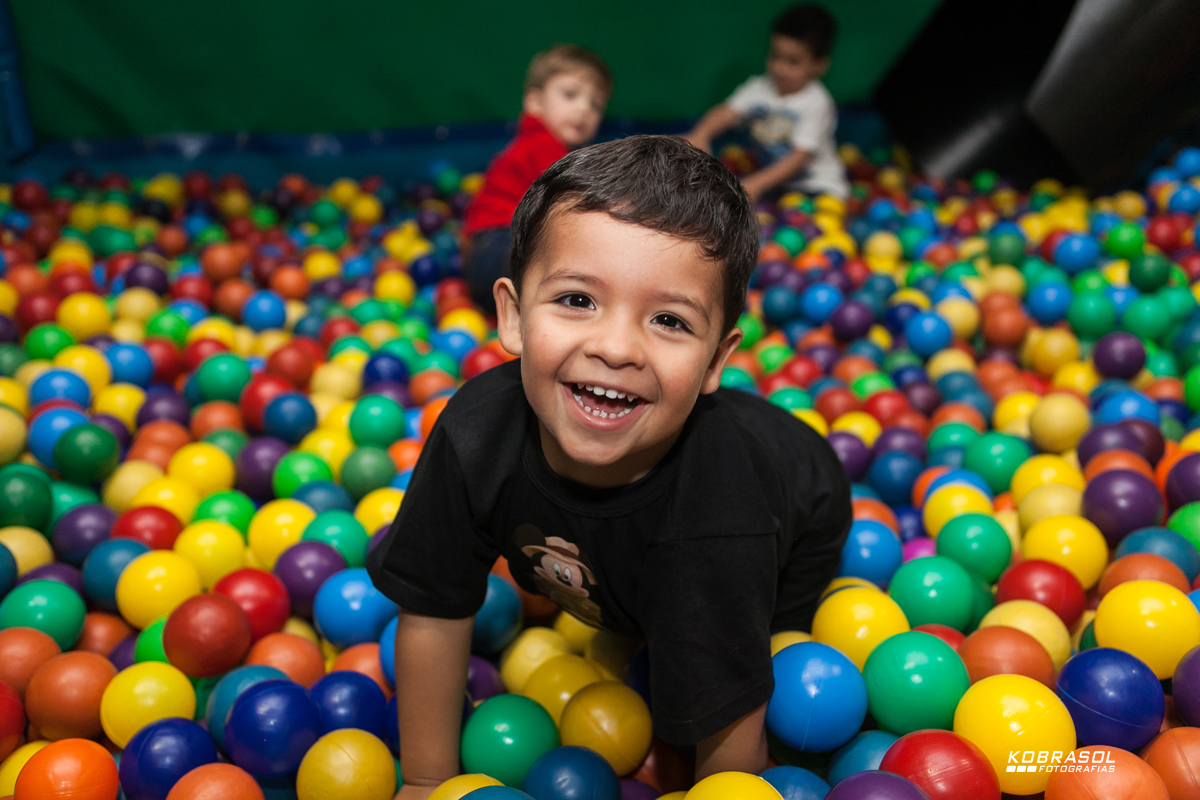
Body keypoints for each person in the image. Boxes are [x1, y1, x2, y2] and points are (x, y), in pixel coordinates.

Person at [368, 136, 851, 798]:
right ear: (510, 316)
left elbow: (732, 744)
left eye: (670, 321)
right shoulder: (474, 437)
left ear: (716, 361)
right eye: (576, 300)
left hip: (799, 517)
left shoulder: (718, 521)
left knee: (728, 661)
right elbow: (432, 610)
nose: (616, 348)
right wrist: (426, 780)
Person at [462, 44, 612, 314]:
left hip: (481, 255)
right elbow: (577, 204)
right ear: (534, 102)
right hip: (500, 247)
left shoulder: (537, 144)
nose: (583, 109)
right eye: (570, 95)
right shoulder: (544, 146)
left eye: (595, 104)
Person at [686, 4, 848, 201]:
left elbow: (799, 158)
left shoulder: (817, 103)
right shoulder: (759, 87)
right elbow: (726, 112)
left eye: (793, 62)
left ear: (819, 65)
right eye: (775, 56)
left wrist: (757, 183)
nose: (780, 68)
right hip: (774, 186)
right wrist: (701, 134)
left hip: (816, 188)